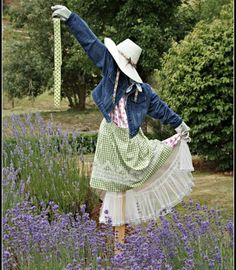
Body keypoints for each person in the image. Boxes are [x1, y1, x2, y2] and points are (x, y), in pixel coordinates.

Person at [51, 5, 194, 229]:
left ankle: (125, 241)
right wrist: (71, 18)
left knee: (136, 177)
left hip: (130, 142)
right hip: (111, 138)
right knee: (115, 189)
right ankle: (119, 242)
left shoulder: (143, 92)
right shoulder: (109, 70)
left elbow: (161, 109)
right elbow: (90, 43)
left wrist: (180, 125)